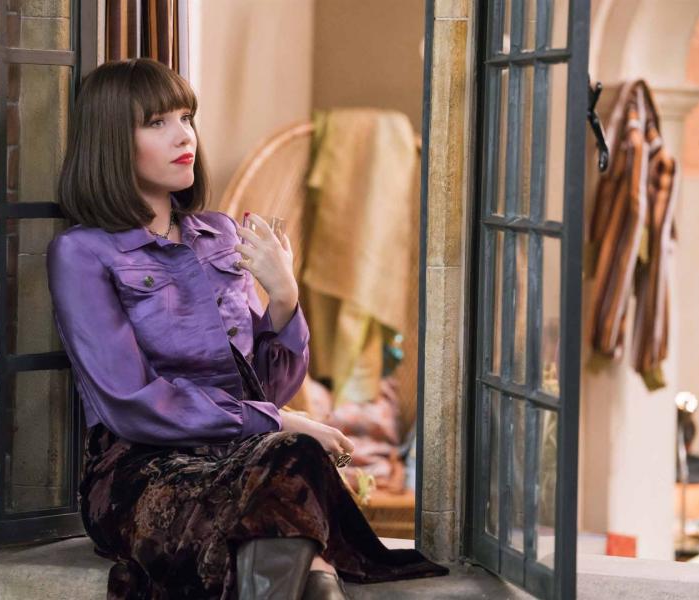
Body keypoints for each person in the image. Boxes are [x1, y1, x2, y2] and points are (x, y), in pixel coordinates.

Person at [47, 57, 448, 600]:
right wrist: (277, 419)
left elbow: (266, 386)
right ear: (112, 140)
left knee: (294, 460)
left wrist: (284, 299)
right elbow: (130, 402)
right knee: (292, 481)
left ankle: (315, 579)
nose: (184, 136)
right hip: (138, 467)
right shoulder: (81, 253)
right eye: (158, 122)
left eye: (186, 118)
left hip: (239, 456)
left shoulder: (220, 234)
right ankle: (319, 578)